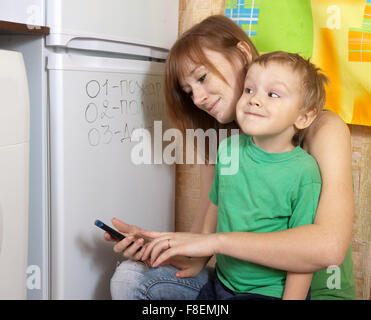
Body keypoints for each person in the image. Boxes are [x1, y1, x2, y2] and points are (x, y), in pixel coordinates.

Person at [106, 15, 356, 300]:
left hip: (306, 294)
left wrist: (217, 242)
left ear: (242, 54)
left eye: (202, 77)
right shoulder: (224, 146)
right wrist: (160, 245)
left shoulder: (323, 129)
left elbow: (329, 247)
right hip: (232, 289)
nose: (198, 98)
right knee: (130, 278)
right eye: (189, 92)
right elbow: (200, 250)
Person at [141, 51, 327, 300]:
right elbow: (215, 209)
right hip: (222, 283)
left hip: (269, 293)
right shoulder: (228, 149)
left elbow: (304, 253)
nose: (254, 100)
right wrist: (197, 261)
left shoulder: (304, 172)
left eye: (272, 94)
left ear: (304, 117)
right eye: (249, 90)